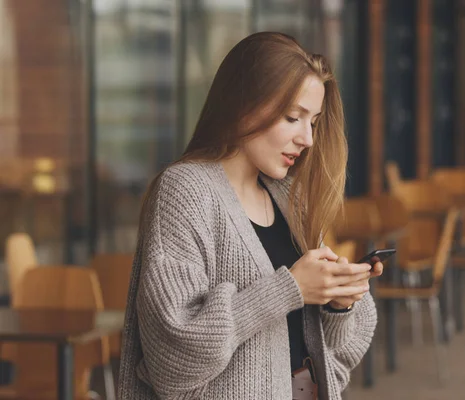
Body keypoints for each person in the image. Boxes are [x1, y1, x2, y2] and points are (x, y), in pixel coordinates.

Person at [118, 31, 382, 400]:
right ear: (244, 104)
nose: (307, 138)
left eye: (314, 122)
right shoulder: (185, 191)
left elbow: (339, 351)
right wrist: (289, 289)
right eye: (293, 117)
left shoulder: (289, 197)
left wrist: (339, 301)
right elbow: (172, 356)